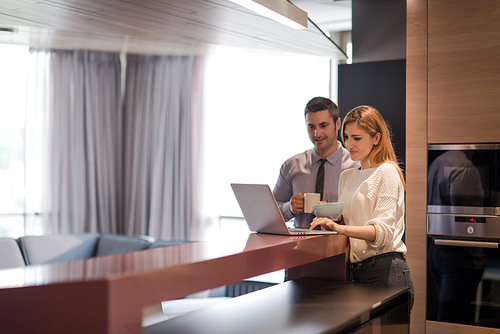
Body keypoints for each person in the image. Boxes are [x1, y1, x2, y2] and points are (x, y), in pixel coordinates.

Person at [310, 105, 415, 311]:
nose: (349, 144)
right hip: (356, 272)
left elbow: (382, 233)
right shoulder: (347, 176)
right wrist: (333, 219)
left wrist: (339, 228)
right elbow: (353, 223)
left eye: (357, 138)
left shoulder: (387, 172)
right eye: (347, 137)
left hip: (387, 272)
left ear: (376, 138)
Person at [273, 97, 359, 228]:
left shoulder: (356, 166)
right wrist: (289, 208)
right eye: (311, 127)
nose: (317, 133)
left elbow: (364, 215)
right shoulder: (291, 166)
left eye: (323, 126)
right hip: (299, 246)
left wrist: (336, 214)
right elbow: (271, 211)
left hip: (341, 246)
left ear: (337, 124)